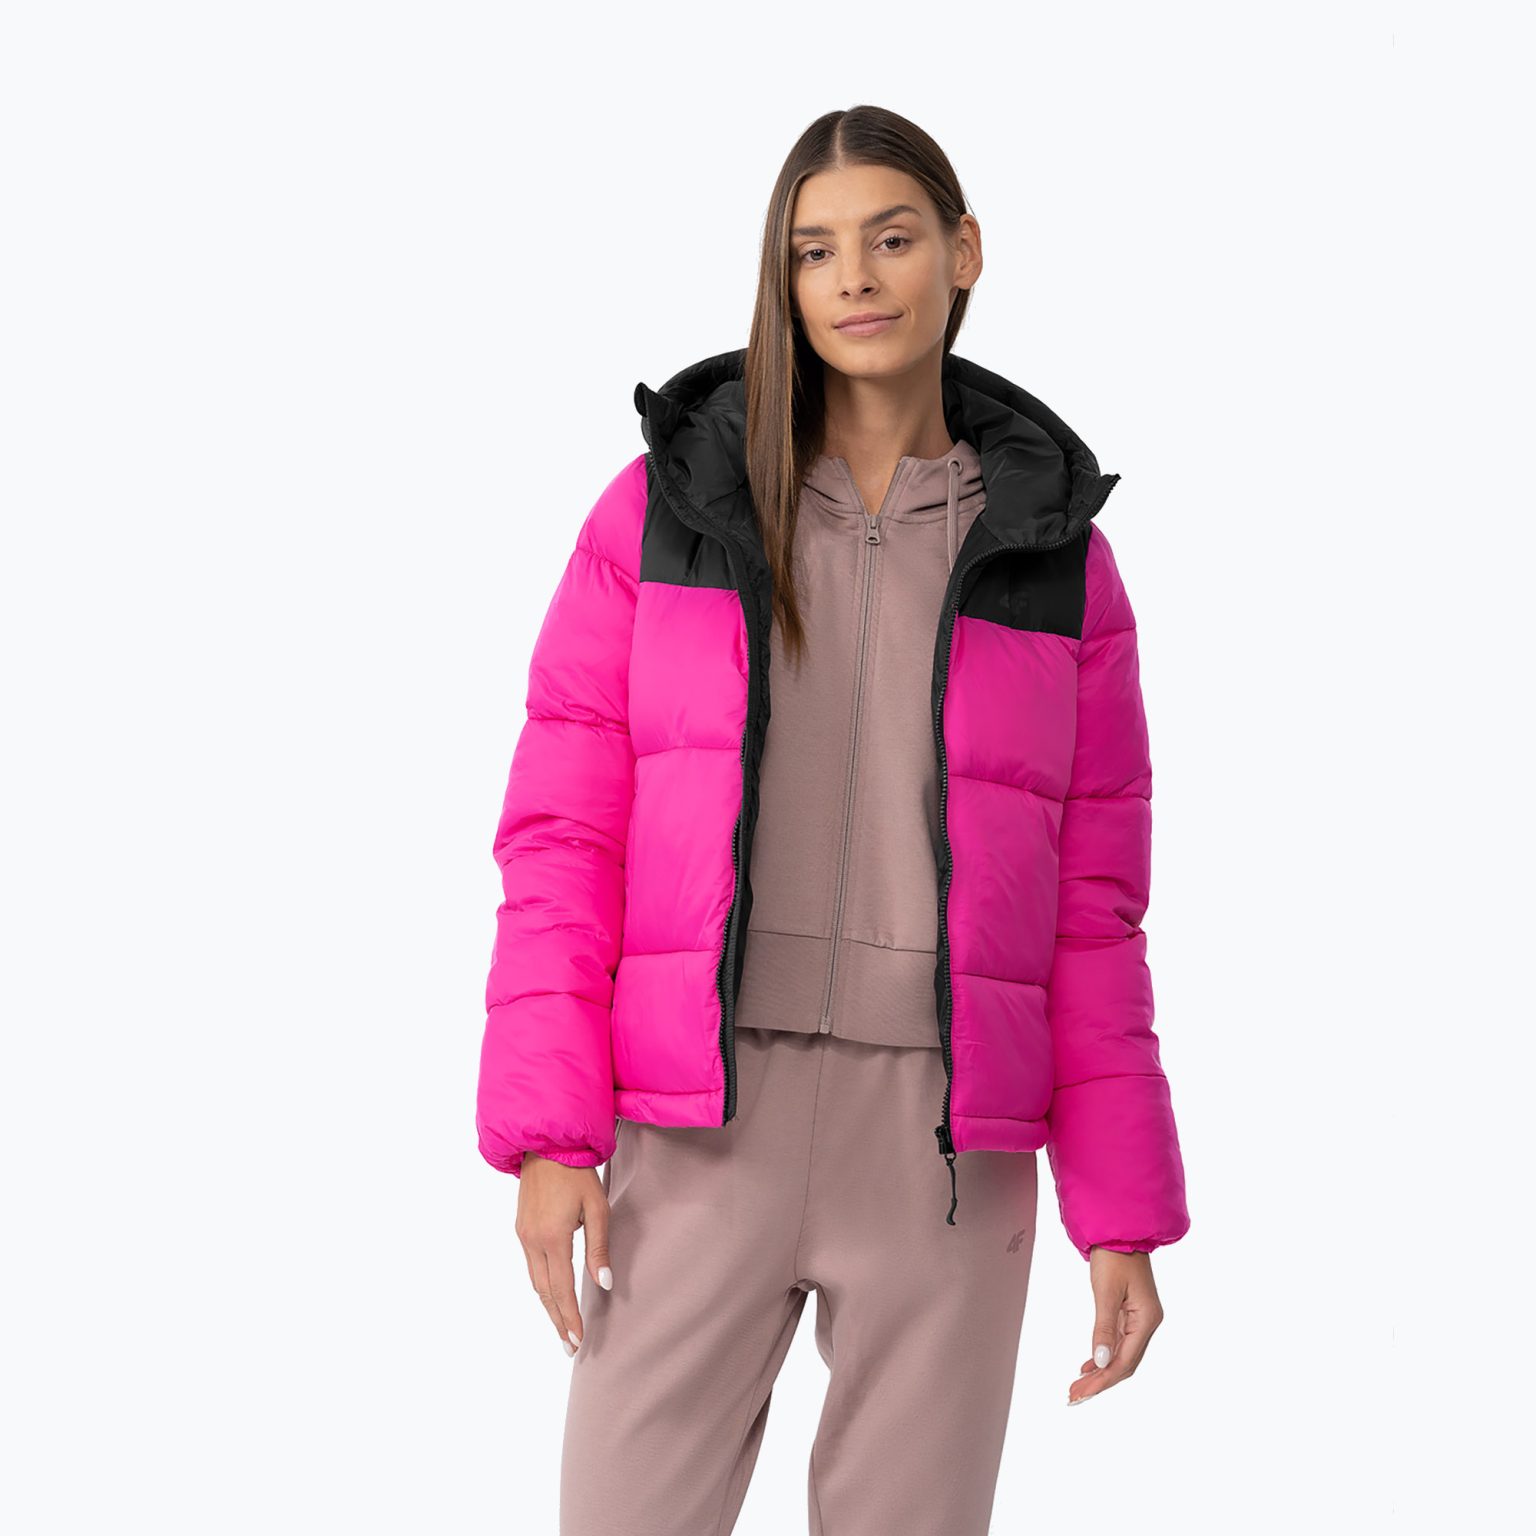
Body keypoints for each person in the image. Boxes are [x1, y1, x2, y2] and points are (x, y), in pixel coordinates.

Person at [475, 103, 1191, 1536]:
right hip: (698, 1126)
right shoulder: (663, 513)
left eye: (892, 237)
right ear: (783, 278)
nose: (854, 277)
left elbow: (1094, 912)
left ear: (963, 252)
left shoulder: (1058, 561)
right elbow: (563, 838)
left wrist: (1119, 1211)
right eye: (815, 250)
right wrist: (551, 1135)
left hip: (945, 1154)